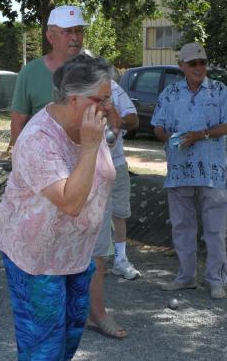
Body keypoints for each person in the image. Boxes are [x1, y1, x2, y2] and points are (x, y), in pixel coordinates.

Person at [0, 54, 116, 360]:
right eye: (102, 99)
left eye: (109, 98)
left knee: (70, 336)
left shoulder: (90, 124)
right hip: (37, 259)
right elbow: (71, 202)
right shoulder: (38, 139)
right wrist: (89, 147)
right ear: (75, 99)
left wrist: (90, 142)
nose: (109, 107)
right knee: (44, 349)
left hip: (75, 253)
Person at [151, 42, 227, 300]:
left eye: (203, 62)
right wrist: (169, 137)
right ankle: (186, 277)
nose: (199, 67)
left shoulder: (220, 90)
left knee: (215, 228)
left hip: (212, 171)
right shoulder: (170, 93)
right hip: (179, 170)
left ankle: (216, 279)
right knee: (182, 226)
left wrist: (202, 134)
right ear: (182, 67)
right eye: (193, 64)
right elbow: (157, 126)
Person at [87, 80, 139, 339]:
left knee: (98, 252)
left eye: (107, 96)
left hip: (99, 182)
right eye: (101, 97)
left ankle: (97, 313)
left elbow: (114, 135)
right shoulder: (63, 109)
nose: (105, 101)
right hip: (71, 184)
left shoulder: (106, 101)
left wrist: (110, 110)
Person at [7, 5, 88, 151]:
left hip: (86, 162)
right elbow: (17, 123)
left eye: (79, 31)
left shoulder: (94, 72)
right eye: (68, 32)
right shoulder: (30, 73)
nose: (75, 37)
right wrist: (18, 159)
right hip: (43, 162)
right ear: (51, 36)